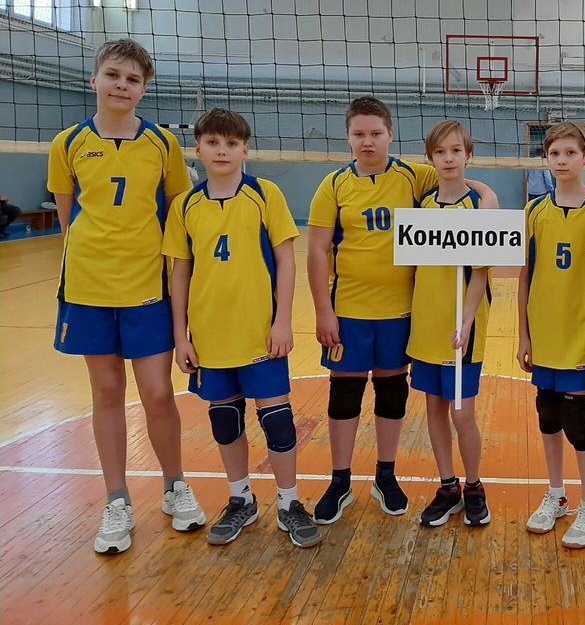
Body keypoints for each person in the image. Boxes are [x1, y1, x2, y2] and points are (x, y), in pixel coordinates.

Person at [47, 39, 205, 554]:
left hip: (147, 288)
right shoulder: (68, 143)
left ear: (144, 89)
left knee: (157, 392)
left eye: (133, 79)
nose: (121, 85)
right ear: (94, 79)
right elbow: (68, 216)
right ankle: (117, 500)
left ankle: (175, 486)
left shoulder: (161, 144)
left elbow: (179, 215)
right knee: (107, 391)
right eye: (113, 75)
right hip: (89, 287)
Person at [306, 97, 496, 525]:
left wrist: (489, 195)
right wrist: (322, 310)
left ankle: (386, 477)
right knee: (345, 393)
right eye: (359, 134)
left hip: (403, 313)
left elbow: (457, 176)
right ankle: (339, 482)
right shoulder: (333, 185)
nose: (368, 141)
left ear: (390, 135)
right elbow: (316, 250)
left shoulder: (415, 176)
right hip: (349, 308)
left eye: (376, 133)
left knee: (392, 392)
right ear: (348, 137)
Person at [164, 109, 321, 548]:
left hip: (260, 334)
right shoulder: (185, 205)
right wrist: (180, 337)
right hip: (210, 338)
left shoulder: (264, 194)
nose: (222, 151)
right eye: (213, 143)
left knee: (278, 421)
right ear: (198, 149)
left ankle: (289, 502)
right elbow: (180, 273)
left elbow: (286, 260)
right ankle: (241, 499)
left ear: (245, 150)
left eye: (231, 143)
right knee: (225, 420)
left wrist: (283, 320)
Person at [518, 122, 585, 548]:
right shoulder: (534, 211)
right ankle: (556, 493)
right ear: (546, 159)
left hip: (581, 333)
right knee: (548, 415)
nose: (562, 161)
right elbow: (525, 276)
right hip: (544, 334)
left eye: (571, 153)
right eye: (554, 154)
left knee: (578, 422)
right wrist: (523, 335)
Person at [408, 120, 494, 528]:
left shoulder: (479, 206)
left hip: (463, 326)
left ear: (468, 155)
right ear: (431, 158)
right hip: (427, 324)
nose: (448, 158)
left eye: (456, 151)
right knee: (435, 408)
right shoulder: (423, 206)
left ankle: (474, 486)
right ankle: (448, 487)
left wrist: (468, 319)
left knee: (462, 414)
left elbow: (481, 272)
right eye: (440, 152)